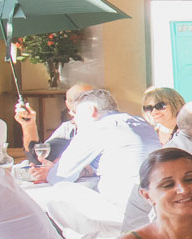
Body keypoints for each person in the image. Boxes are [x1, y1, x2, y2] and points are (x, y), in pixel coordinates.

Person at [33, 88, 161, 231]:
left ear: (90, 110)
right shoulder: (141, 123)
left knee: (57, 195)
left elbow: (58, 177)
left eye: (76, 114)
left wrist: (50, 171)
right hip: (155, 206)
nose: (74, 121)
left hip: (122, 210)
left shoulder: (98, 128)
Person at [13, 81, 89, 160]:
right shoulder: (68, 129)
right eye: (79, 99)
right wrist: (29, 125)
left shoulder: (101, 128)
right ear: (68, 105)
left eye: (93, 98)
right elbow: (39, 158)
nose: (88, 103)